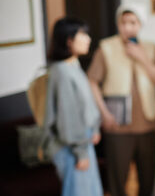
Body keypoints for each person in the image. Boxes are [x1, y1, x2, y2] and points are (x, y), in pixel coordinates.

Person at [88, 4, 155, 196]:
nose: (128, 27)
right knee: (117, 180)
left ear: (140, 24)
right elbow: (92, 82)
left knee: (148, 179)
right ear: (118, 24)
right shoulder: (106, 48)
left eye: (133, 22)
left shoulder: (150, 47)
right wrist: (104, 114)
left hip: (147, 125)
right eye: (123, 22)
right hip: (117, 126)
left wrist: (143, 58)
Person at [44, 17, 103, 196]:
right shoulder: (62, 72)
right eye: (83, 35)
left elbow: (83, 107)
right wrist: (81, 152)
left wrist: (94, 128)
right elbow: (68, 118)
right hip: (72, 147)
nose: (89, 39)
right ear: (69, 40)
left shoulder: (73, 66)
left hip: (81, 141)